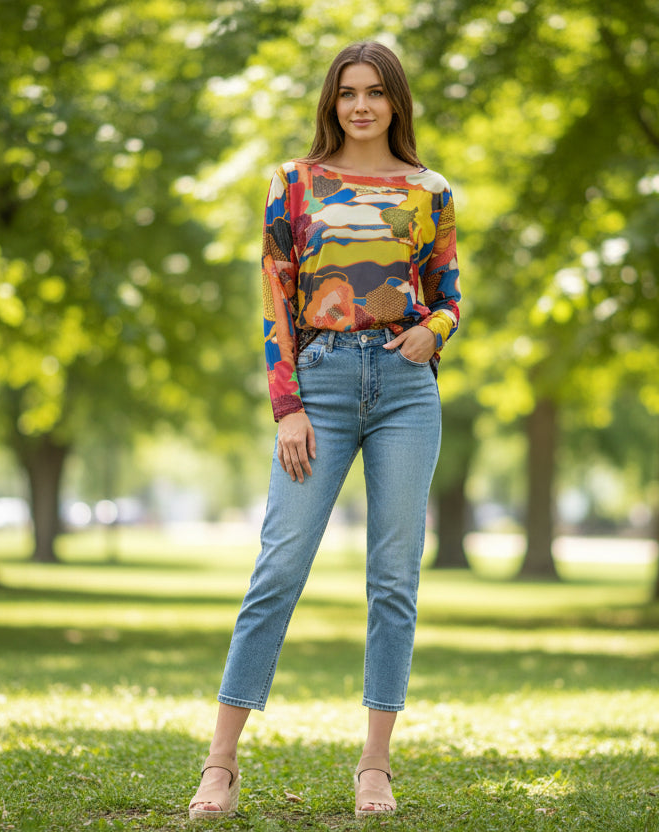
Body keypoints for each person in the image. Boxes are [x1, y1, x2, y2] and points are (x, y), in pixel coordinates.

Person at [187, 40, 461, 821]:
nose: (362, 105)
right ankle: (222, 762)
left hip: (407, 389)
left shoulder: (430, 191)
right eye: (348, 93)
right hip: (322, 384)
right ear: (331, 102)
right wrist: (289, 406)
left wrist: (433, 332)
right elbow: (276, 299)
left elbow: (450, 294)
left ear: (396, 101)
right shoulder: (293, 184)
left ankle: (374, 769)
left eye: (375, 92)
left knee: (394, 579)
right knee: (278, 569)